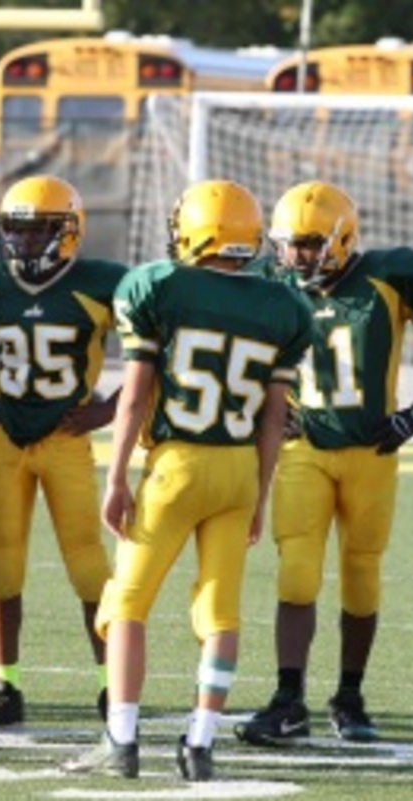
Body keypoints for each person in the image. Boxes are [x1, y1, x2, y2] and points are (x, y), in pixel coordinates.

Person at [64, 179, 311, 781]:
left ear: (196, 230)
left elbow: (134, 399)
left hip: (178, 467)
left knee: (126, 604)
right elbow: (274, 418)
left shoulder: (159, 286)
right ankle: (199, 745)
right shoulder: (284, 305)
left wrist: (116, 474)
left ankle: (120, 741)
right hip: (239, 472)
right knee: (221, 614)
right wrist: (261, 491)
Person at [235, 180, 413, 746]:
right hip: (304, 451)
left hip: (372, 453)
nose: (295, 255)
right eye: (287, 243)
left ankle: (350, 696)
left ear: (341, 237)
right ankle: (288, 700)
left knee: (361, 577)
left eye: (307, 243)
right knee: (297, 572)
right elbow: (236, 350)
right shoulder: (271, 282)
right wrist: (266, 409)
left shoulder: (390, 277)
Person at [0, 176, 120, 730]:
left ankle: (111, 685)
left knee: (88, 566)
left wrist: (110, 409)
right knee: (1, 563)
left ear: (68, 232)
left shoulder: (103, 285)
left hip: (67, 436)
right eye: (17, 231)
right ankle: (7, 689)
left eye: (38, 231)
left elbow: (162, 349)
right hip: (5, 437)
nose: (24, 243)